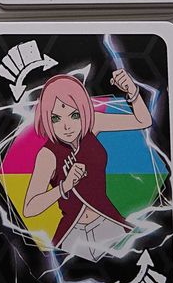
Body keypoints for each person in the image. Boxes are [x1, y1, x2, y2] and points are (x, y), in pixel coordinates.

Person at [22, 70, 152, 261]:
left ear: (83, 111)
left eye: (74, 115)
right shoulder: (47, 155)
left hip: (107, 222)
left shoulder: (92, 124)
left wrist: (132, 92)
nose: (67, 126)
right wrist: (64, 186)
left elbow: (143, 120)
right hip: (74, 232)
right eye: (56, 118)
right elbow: (29, 208)